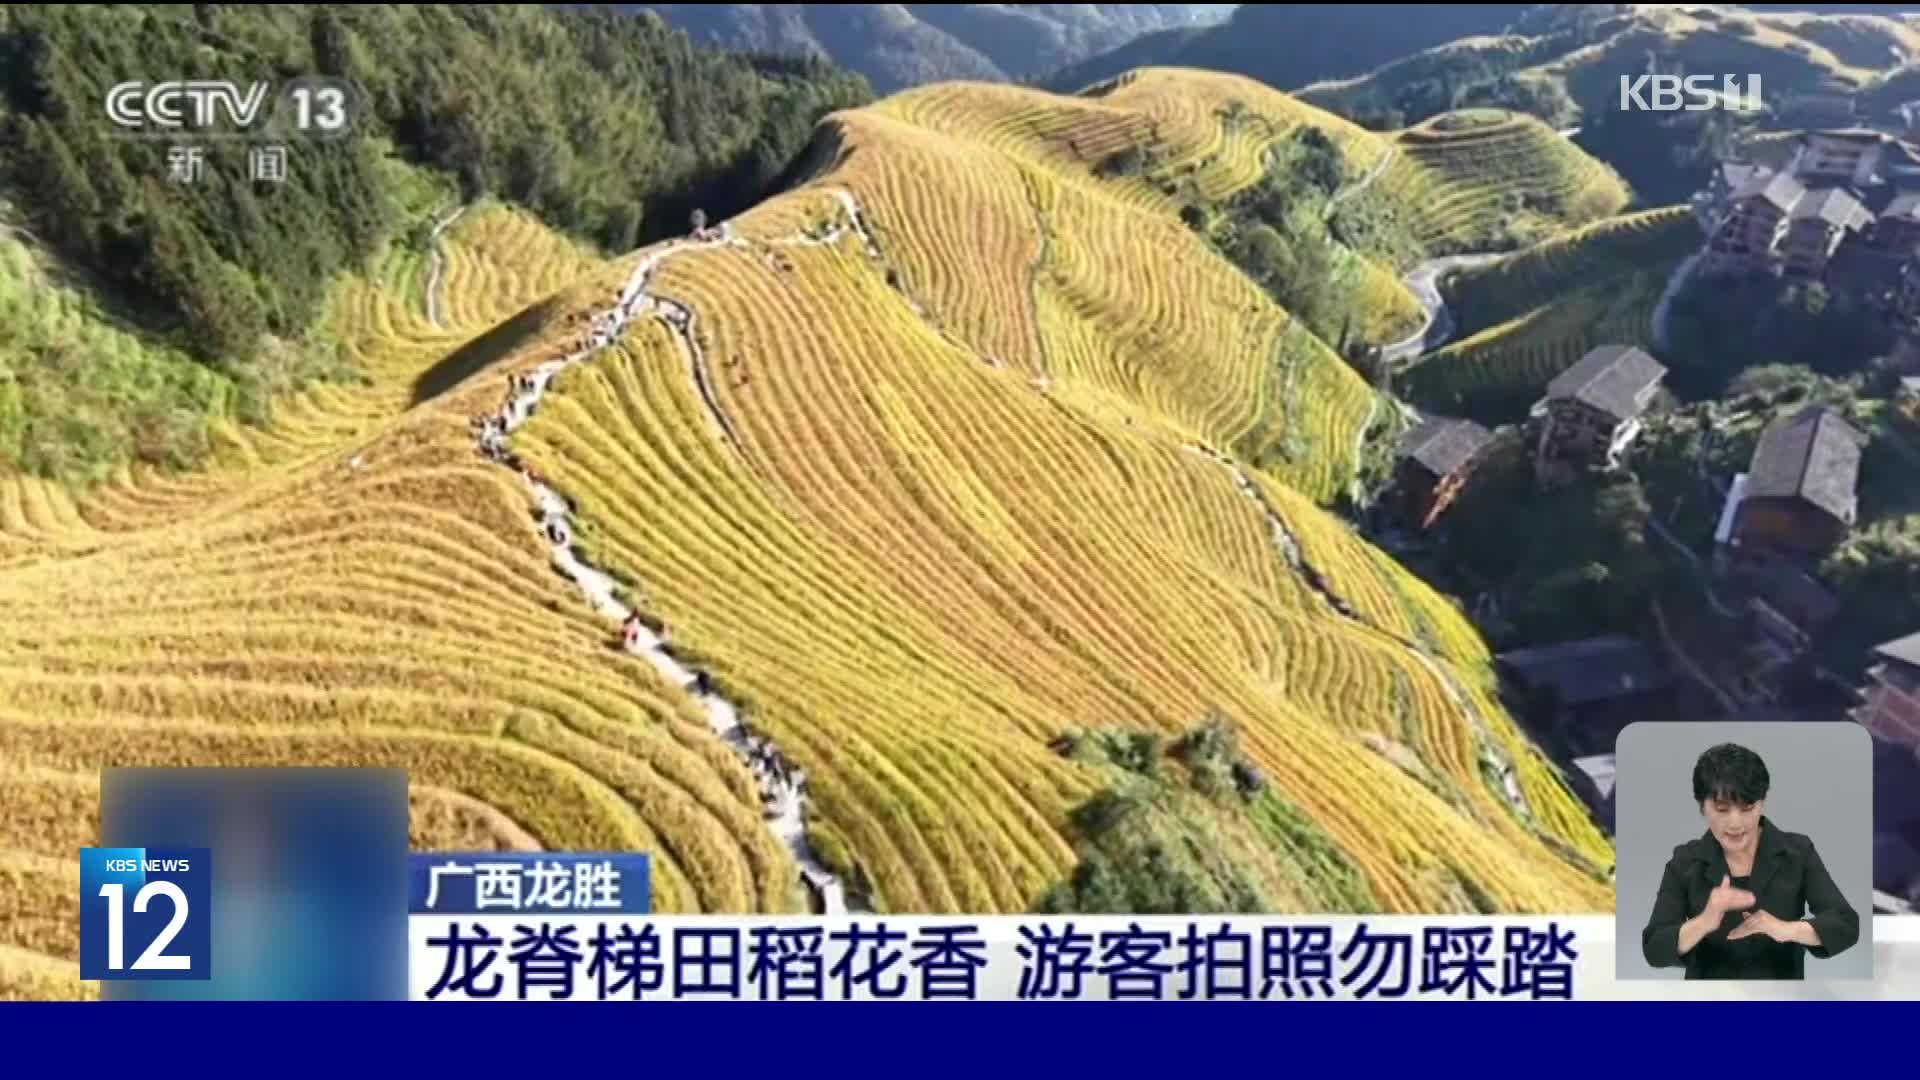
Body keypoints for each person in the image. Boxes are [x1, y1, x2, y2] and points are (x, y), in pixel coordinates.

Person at [1640, 742, 1859, 979]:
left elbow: (1845, 924)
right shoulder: (1685, 861)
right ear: (1702, 807)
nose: (1736, 823)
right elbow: (1654, 948)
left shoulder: (1798, 852)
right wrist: (1704, 921)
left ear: (1762, 802)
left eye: (1747, 808)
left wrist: (1786, 930)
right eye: (1722, 809)